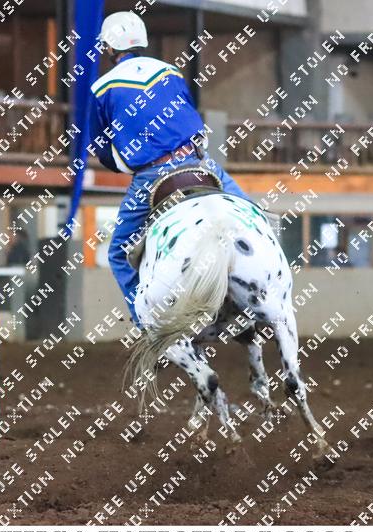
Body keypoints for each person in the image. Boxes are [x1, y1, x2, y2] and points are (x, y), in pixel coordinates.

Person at [90, 11, 253, 325]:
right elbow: (188, 111)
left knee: (118, 253)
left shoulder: (101, 88)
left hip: (152, 175)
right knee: (252, 215)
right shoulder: (171, 71)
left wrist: (121, 162)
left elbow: (102, 148)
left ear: (109, 46)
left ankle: (146, 324)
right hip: (198, 161)